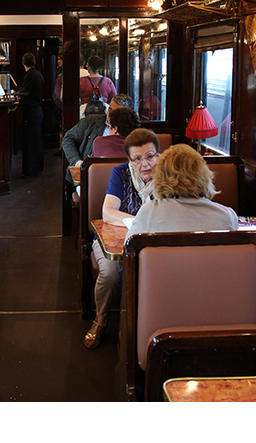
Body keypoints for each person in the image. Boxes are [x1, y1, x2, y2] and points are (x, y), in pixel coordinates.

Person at [85, 128, 160, 349]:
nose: (145, 164)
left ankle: (140, 329)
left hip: (152, 242)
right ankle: (101, 319)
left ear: (159, 155)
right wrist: (139, 221)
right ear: (129, 159)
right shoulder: (120, 173)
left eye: (150, 156)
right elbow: (108, 212)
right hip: (115, 239)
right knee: (108, 273)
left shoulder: (169, 175)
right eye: (138, 159)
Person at [127, 143, 238, 239]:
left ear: (160, 177)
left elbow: (127, 249)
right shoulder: (228, 216)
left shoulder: (150, 212)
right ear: (204, 174)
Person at [62, 94, 134, 184]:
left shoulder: (132, 131)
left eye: (116, 112)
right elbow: (68, 139)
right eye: (110, 109)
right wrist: (77, 161)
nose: (110, 114)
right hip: (87, 175)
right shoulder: (90, 121)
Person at [16, 52, 44, 178]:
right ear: (34, 62)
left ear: (23, 63)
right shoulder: (38, 74)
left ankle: (32, 170)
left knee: (31, 140)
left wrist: (15, 94)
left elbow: (24, 92)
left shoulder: (30, 75)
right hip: (38, 110)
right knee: (36, 139)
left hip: (32, 111)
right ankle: (37, 168)